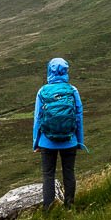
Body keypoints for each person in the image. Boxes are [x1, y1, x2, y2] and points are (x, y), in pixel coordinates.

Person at [33, 57, 85, 211]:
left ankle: (49, 210)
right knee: (69, 172)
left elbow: (37, 119)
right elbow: (79, 117)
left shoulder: (42, 91)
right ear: (66, 71)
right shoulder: (72, 90)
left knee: (48, 175)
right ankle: (69, 207)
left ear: (49, 71)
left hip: (46, 142)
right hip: (70, 140)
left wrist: (36, 143)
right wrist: (79, 141)